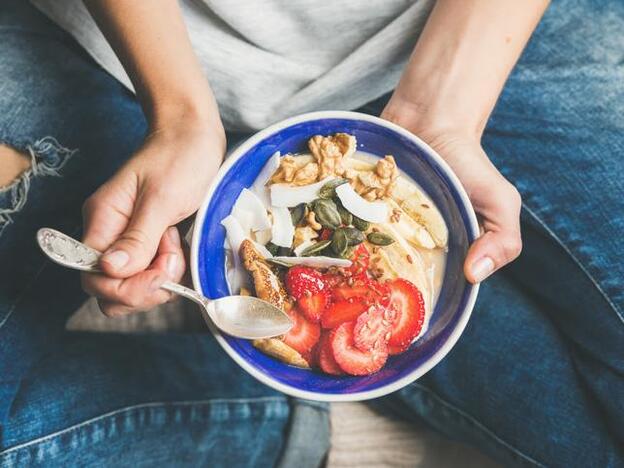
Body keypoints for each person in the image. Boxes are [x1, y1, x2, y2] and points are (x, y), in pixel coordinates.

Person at [0, 0, 622, 466]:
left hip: (466, 38)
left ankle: (414, 360)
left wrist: (444, 111)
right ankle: (283, 411)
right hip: (129, 54)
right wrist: (180, 115)